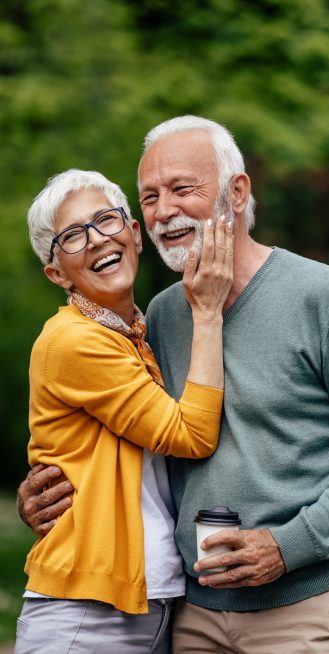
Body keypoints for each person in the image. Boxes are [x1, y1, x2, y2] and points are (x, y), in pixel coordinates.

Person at [19, 116, 329, 653]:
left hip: (304, 605)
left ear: (237, 192)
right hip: (192, 613)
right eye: (149, 197)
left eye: (182, 189)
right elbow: (129, 440)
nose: (165, 210)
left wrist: (288, 546)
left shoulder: (322, 297)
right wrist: (56, 492)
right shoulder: (158, 318)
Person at [15, 169, 233, 653]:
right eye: (72, 236)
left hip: (149, 602)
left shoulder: (140, 329)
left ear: (133, 234)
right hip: (86, 614)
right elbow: (192, 435)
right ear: (56, 273)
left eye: (105, 221)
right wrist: (209, 312)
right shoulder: (76, 340)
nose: (96, 240)